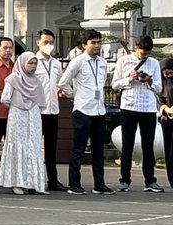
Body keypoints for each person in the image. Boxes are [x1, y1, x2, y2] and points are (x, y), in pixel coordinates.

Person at [58, 29, 111, 195]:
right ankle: (74, 184)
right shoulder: (78, 62)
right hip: (82, 110)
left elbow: (102, 83)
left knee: (98, 149)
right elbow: (63, 83)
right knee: (78, 149)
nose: (96, 46)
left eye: (98, 42)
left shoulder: (102, 63)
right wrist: (75, 95)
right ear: (84, 45)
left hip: (99, 110)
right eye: (93, 43)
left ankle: (99, 183)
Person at [112, 34, 163, 192]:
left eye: (147, 53)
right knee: (128, 144)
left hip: (148, 107)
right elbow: (114, 85)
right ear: (136, 48)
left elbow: (159, 88)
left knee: (149, 145)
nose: (145, 56)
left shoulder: (154, 63)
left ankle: (150, 180)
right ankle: (124, 180)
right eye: (142, 53)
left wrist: (149, 81)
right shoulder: (124, 61)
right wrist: (129, 79)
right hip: (129, 106)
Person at [0, 51, 47, 194]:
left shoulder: (37, 81)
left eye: (35, 64)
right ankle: (17, 182)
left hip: (33, 115)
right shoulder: (13, 79)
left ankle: (32, 182)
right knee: (18, 145)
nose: (33, 66)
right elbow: (5, 98)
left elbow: (42, 100)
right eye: (30, 63)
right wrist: (18, 104)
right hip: (18, 114)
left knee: (33, 145)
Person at [33, 29, 68, 192]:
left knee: (51, 147)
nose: (48, 45)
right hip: (37, 110)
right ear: (38, 43)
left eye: (51, 42)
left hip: (53, 110)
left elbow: (60, 83)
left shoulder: (56, 63)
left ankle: (53, 180)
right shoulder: (33, 61)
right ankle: (34, 178)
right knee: (34, 147)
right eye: (45, 42)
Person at [158, 58, 173, 188]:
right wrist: (166, 108)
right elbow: (159, 100)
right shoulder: (161, 84)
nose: (167, 72)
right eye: (164, 70)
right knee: (170, 151)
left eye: (170, 70)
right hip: (167, 121)